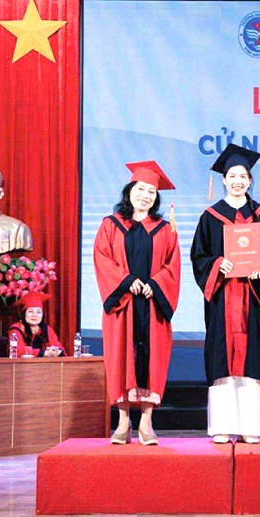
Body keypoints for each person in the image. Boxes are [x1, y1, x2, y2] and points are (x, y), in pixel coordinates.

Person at [190, 143, 260, 444]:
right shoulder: (211, 217)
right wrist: (218, 265)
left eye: (243, 175)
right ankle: (223, 426)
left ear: (250, 180)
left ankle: (251, 426)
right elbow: (199, 257)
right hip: (223, 301)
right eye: (232, 175)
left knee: (252, 358)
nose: (238, 180)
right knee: (222, 360)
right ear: (224, 180)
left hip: (253, 302)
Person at [93, 160, 180, 446]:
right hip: (123, 306)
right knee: (120, 357)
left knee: (151, 360)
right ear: (130, 191)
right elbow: (102, 259)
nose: (145, 195)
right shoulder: (111, 224)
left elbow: (173, 266)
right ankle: (122, 422)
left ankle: (146, 422)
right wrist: (127, 280)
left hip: (152, 306)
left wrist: (154, 285)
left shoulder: (165, 229)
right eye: (141, 189)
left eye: (152, 192)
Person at [8, 291, 64, 357]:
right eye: (31, 311)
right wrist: (44, 353)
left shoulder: (47, 329)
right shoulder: (16, 329)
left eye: (38, 312)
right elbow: (18, 351)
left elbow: (60, 348)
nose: (35, 315)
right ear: (24, 314)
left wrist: (55, 350)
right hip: (20, 366)